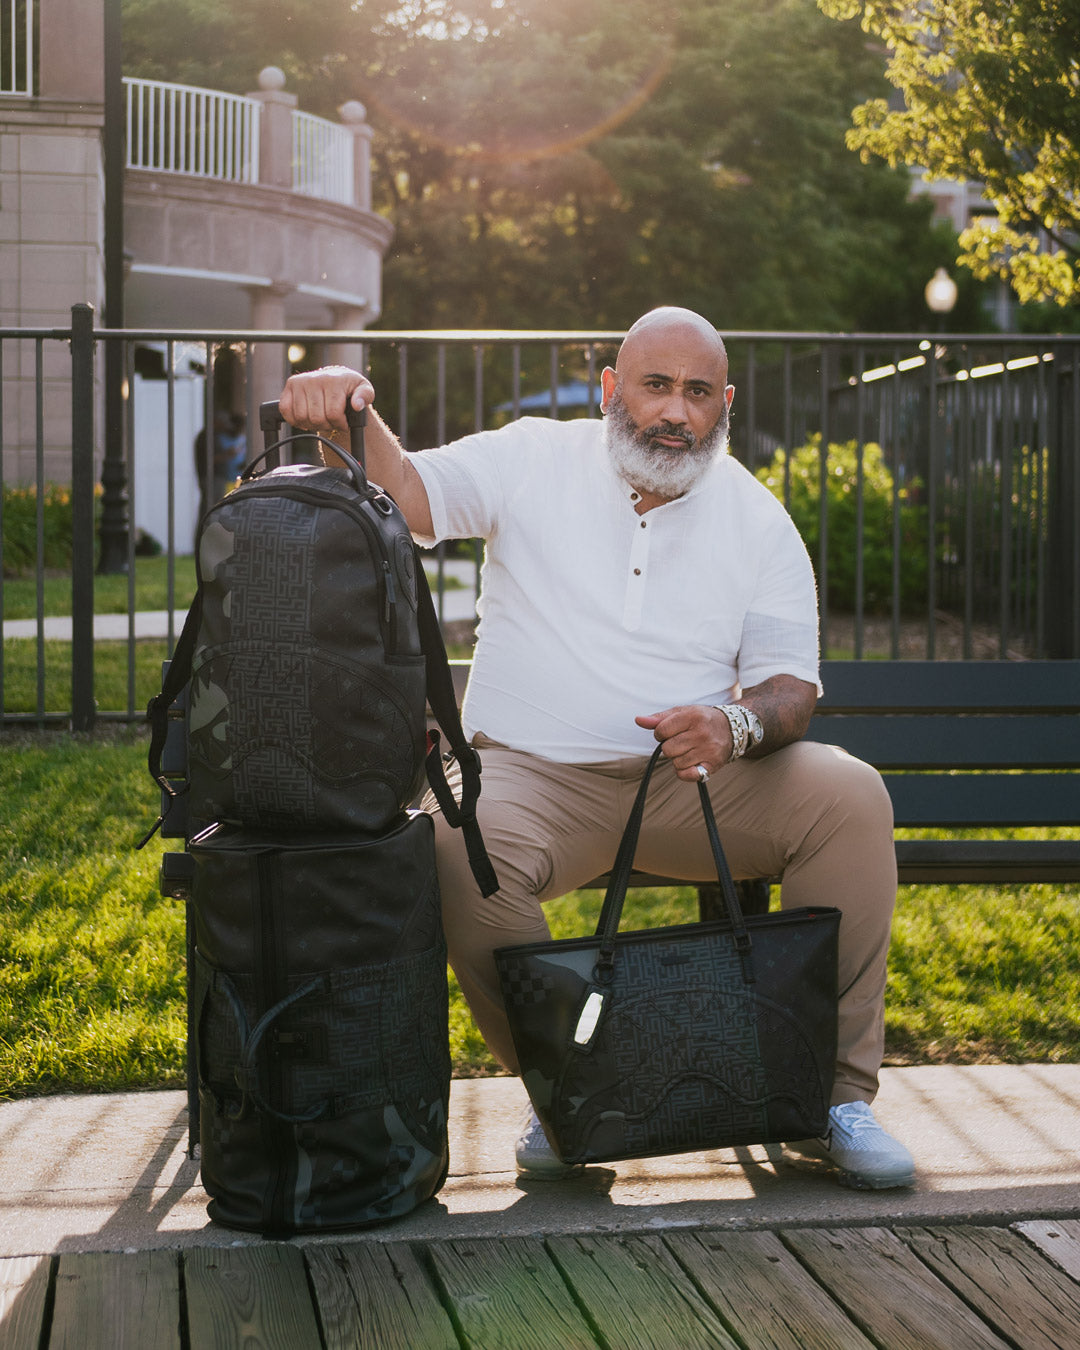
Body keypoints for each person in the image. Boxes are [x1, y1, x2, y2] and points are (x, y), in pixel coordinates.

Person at [279, 306, 915, 1191]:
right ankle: (571, 1090)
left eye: (698, 393)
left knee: (851, 797)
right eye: (656, 385)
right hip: (531, 775)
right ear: (613, 389)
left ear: (724, 403)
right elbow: (410, 495)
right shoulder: (532, 456)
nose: (675, 413)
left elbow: (789, 690)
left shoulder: (759, 519)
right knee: (461, 845)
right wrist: (352, 412)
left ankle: (832, 1099)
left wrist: (731, 726)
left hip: (690, 784)